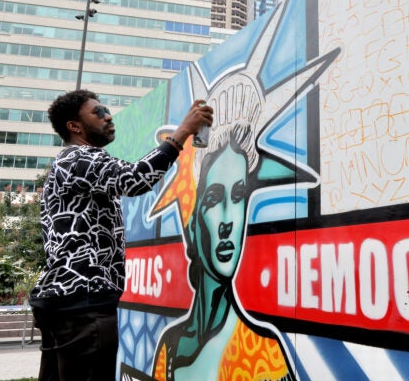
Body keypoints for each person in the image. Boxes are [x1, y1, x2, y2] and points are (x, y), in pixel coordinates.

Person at [29, 89, 213, 381]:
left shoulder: (70, 162)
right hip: (82, 304)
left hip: (65, 302)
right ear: (74, 127)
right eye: (97, 112)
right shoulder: (78, 157)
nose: (108, 116)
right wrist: (183, 132)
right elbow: (135, 178)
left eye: (106, 110)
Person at [152, 120, 293, 381]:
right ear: (192, 227)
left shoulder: (264, 352)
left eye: (239, 195)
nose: (228, 221)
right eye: (214, 199)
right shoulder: (169, 346)